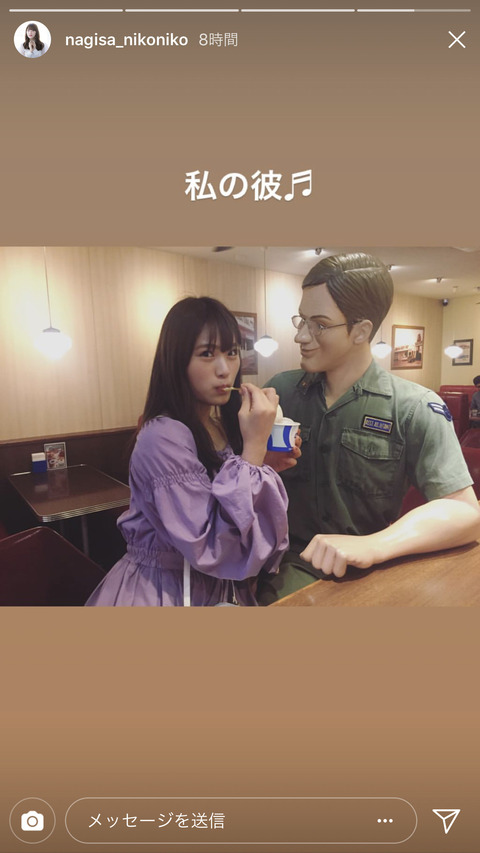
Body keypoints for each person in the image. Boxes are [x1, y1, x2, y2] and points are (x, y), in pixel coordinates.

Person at [257, 252, 480, 603]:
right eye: (301, 320)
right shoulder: (279, 393)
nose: (301, 336)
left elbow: (465, 511)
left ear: (361, 330)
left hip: (364, 581)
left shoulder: (412, 408)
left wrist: (375, 545)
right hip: (271, 573)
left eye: (319, 324)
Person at [86, 296, 289, 606]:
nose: (225, 369)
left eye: (232, 352)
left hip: (216, 591)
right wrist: (253, 450)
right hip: (164, 592)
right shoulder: (162, 436)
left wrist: (262, 461)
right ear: (176, 361)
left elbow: (238, 519)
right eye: (207, 354)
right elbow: (211, 546)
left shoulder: (219, 426)